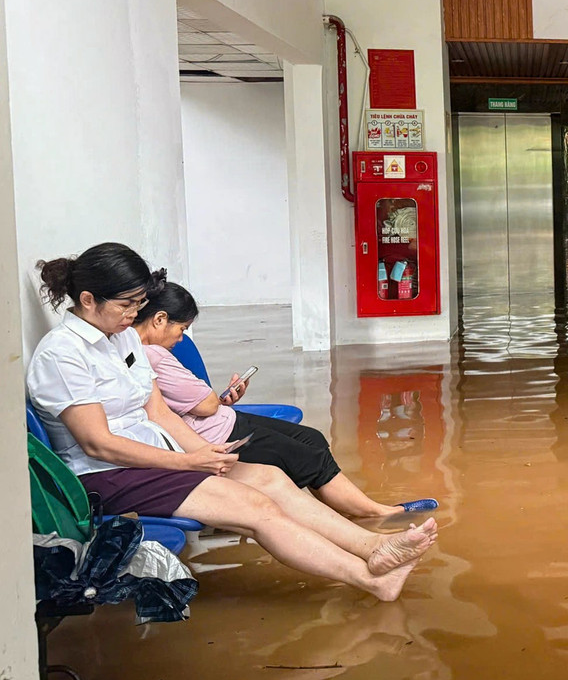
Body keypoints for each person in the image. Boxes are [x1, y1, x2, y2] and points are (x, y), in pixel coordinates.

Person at [25, 242, 436, 601]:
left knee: (273, 478)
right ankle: (370, 579)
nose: (135, 314)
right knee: (255, 507)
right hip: (109, 474)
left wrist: (202, 452)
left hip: (154, 456)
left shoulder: (124, 338)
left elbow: (158, 411)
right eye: (127, 304)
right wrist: (188, 463)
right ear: (88, 299)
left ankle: (374, 546)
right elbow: (99, 444)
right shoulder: (62, 355)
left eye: (138, 303)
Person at [133, 282, 435, 519]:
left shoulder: (142, 351)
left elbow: (200, 404)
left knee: (312, 438)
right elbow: (206, 405)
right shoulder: (153, 355)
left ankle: (343, 508)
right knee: (310, 457)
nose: (181, 339)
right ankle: (374, 512)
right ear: (160, 319)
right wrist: (216, 402)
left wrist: (220, 401)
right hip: (217, 434)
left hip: (223, 422)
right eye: (181, 330)